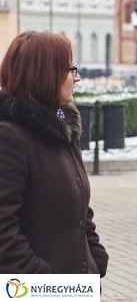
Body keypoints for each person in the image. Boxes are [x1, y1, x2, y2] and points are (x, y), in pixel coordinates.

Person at [0, 31, 108, 275]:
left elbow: (80, 210)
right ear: (45, 73)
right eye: (70, 69)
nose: (77, 77)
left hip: (77, 286)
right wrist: (41, 278)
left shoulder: (63, 132)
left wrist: (95, 258)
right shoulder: (11, 137)